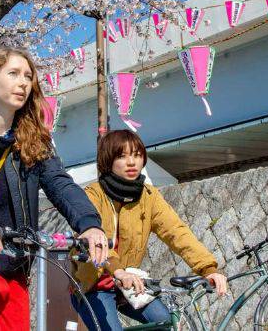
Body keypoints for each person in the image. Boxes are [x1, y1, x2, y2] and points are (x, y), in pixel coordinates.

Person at [0, 47, 108, 331]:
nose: (23, 82)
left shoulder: (34, 140)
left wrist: (89, 223)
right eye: (13, 74)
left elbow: (60, 183)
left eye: (28, 76)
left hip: (11, 262)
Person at [71, 130, 227, 331]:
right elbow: (96, 241)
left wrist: (208, 269)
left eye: (137, 155)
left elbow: (177, 233)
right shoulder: (93, 196)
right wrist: (118, 271)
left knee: (167, 323)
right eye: (122, 156)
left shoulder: (148, 196)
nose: (131, 162)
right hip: (94, 286)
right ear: (107, 160)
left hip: (129, 284)